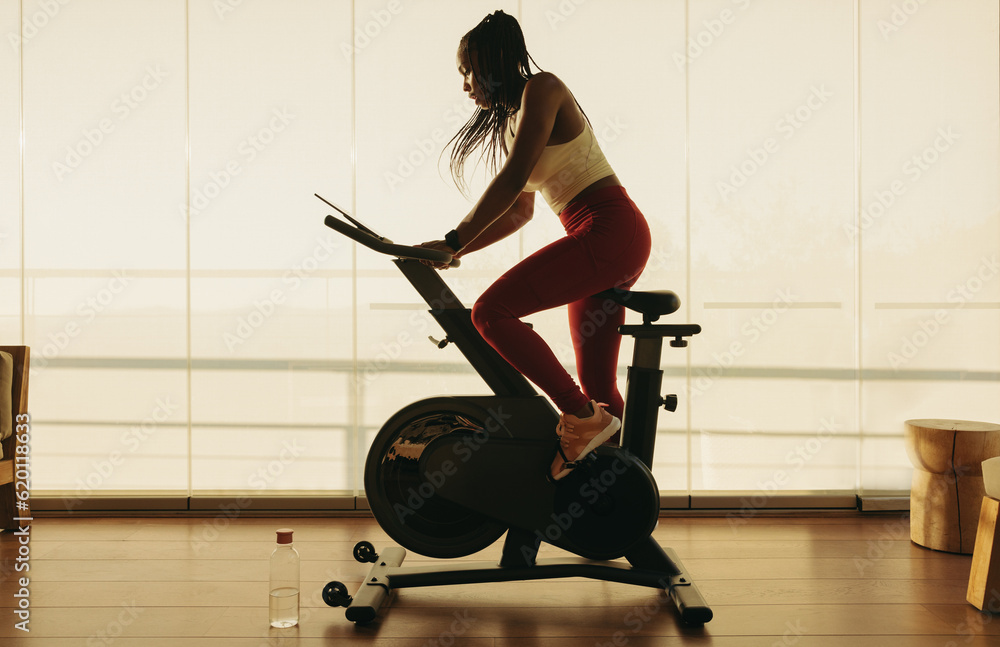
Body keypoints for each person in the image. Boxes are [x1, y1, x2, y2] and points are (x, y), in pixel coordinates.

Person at [420, 10, 651, 481]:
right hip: (596, 237)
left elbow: (512, 181)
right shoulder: (510, 123)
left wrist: (455, 239)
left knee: (489, 312)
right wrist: (456, 249)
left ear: (493, 62)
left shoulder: (542, 89)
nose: (465, 84)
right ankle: (622, 497)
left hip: (611, 228)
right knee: (601, 387)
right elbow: (520, 212)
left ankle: (581, 418)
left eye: (468, 70)